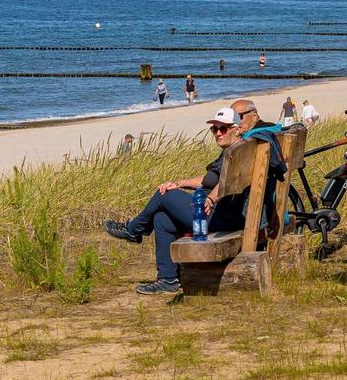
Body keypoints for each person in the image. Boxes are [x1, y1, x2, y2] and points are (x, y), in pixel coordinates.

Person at [104, 106, 245, 295]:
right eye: (214, 129)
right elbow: (209, 180)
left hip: (220, 217)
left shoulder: (237, 152)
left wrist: (211, 198)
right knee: (161, 218)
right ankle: (168, 279)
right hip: (218, 213)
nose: (218, 133)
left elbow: (228, 181)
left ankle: (133, 230)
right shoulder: (233, 149)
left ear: (237, 128)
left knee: (164, 195)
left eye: (224, 129)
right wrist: (178, 183)